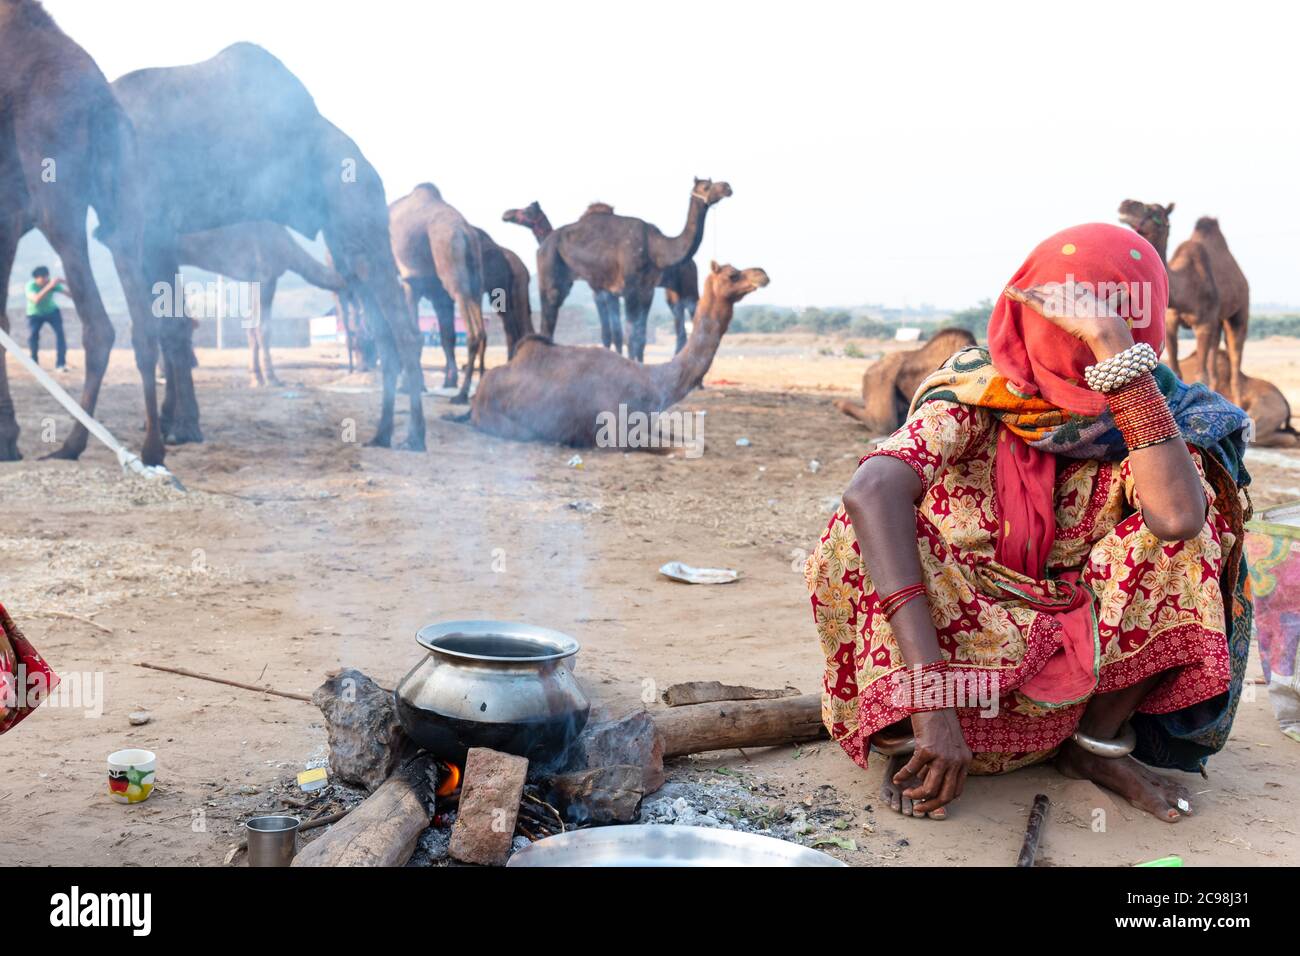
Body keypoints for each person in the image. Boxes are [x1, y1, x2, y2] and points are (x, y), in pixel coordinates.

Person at [808, 223, 1252, 822]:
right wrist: (932, 700)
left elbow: (1175, 520)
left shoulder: (1160, 413)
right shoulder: (977, 390)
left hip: (1079, 672)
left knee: (1197, 524)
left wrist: (1117, 360)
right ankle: (919, 731)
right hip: (955, 677)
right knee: (855, 531)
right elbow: (871, 491)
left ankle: (1094, 748)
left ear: (1136, 331)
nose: (1070, 343)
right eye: (1069, 323)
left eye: (1104, 325)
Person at [25, 266, 70, 372]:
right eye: (43, 278)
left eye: (46, 277)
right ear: (36, 278)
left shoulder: (50, 283)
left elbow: (70, 295)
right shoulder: (30, 286)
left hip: (52, 312)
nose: (45, 280)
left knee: (60, 335)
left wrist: (65, 282)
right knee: (33, 337)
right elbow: (36, 299)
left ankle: (60, 364)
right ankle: (34, 362)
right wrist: (50, 286)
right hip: (34, 314)